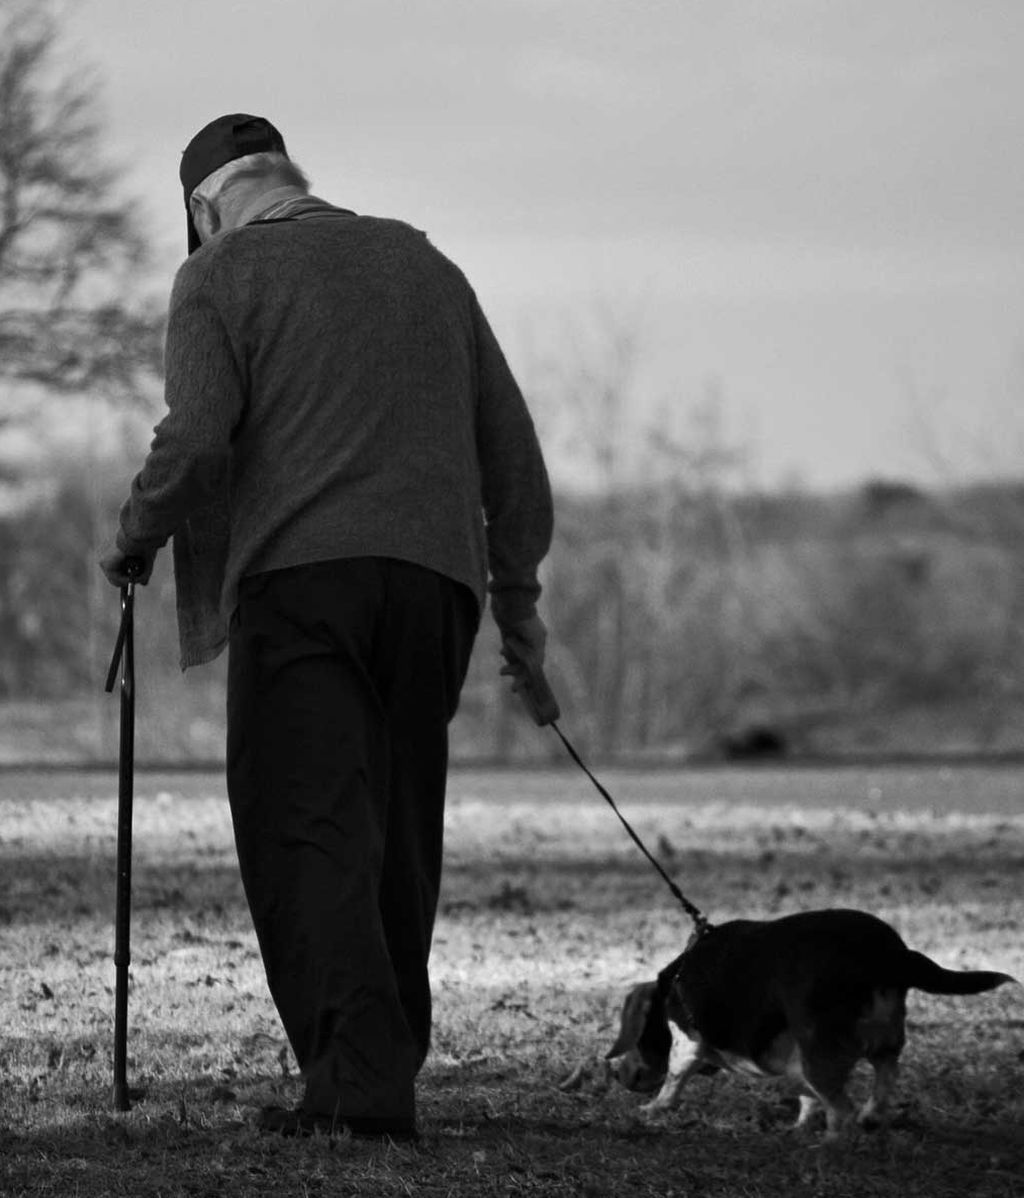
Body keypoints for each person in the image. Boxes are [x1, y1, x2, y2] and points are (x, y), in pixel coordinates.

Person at [100, 113, 556, 1140]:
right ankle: (378, 1068)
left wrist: (136, 535)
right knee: (395, 829)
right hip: (435, 591)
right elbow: (515, 467)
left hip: (302, 585)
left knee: (305, 827)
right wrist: (518, 617)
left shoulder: (218, 275)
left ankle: (357, 1088)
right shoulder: (425, 266)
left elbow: (198, 439)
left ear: (202, 208)